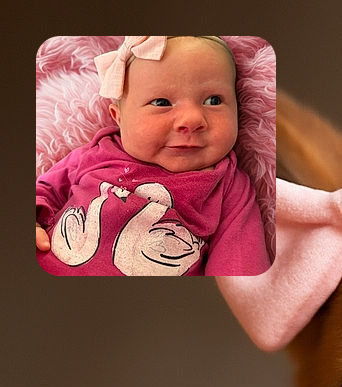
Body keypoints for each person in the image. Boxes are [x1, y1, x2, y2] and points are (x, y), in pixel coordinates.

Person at [36, 35, 272, 276]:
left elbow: (240, 271)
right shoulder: (96, 153)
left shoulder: (229, 185)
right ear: (119, 118)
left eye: (214, 100)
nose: (191, 119)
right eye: (161, 102)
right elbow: (44, 190)